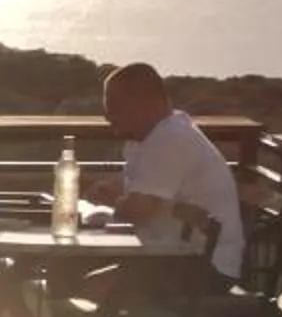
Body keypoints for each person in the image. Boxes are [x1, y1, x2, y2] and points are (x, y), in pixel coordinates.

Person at [93, 63, 244, 286]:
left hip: (204, 267)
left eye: (114, 105)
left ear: (145, 103)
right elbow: (135, 195)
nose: (107, 115)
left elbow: (138, 211)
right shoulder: (153, 136)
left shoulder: (171, 138)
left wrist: (112, 201)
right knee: (68, 273)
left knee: (84, 284)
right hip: (175, 255)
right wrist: (118, 196)